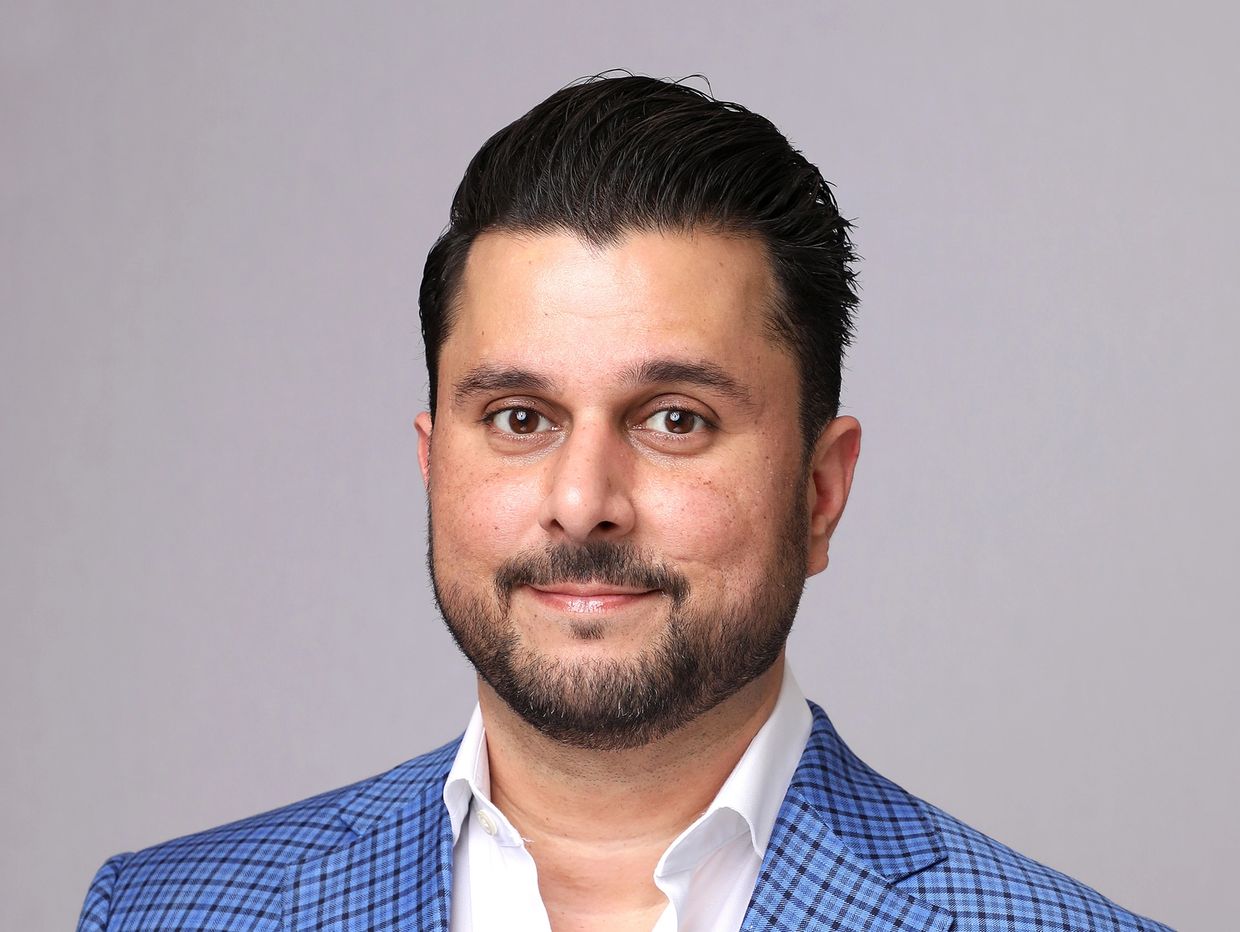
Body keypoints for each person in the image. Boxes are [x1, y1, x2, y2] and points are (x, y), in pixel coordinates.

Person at [77, 75, 1170, 932]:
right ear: (433, 465)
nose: (581, 501)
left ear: (819, 492)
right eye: (519, 417)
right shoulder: (160, 913)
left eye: (674, 419)